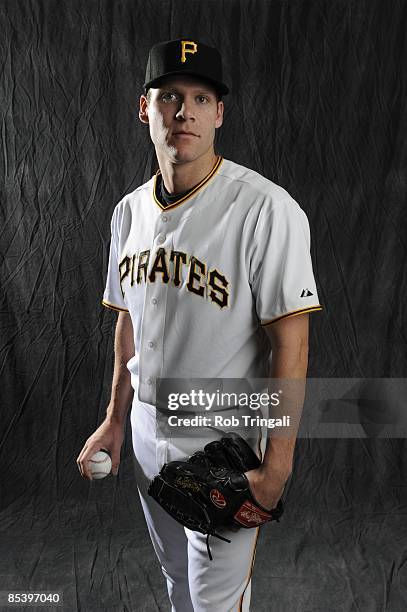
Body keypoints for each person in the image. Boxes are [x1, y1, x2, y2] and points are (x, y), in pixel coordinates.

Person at [77, 38, 323, 611]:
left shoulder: (266, 209)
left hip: (221, 441)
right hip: (143, 436)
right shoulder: (128, 212)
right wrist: (115, 419)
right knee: (177, 589)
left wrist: (277, 467)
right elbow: (128, 322)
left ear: (218, 113)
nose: (183, 111)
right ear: (146, 108)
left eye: (199, 97)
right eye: (169, 97)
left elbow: (292, 342)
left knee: (217, 604)